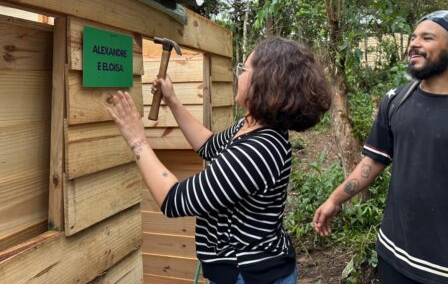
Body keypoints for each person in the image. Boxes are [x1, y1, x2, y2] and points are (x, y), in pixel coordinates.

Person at [313, 11, 448, 284]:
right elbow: (374, 160)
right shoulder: (396, 100)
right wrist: (335, 200)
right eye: (413, 37)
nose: (413, 44)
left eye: (427, 37)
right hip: (393, 254)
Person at [107, 37, 331, 284]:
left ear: (266, 81)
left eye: (243, 70)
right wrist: (172, 100)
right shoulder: (251, 126)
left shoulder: (257, 151)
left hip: (251, 275)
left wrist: (137, 140)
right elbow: (209, 145)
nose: (238, 75)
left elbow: (175, 200)